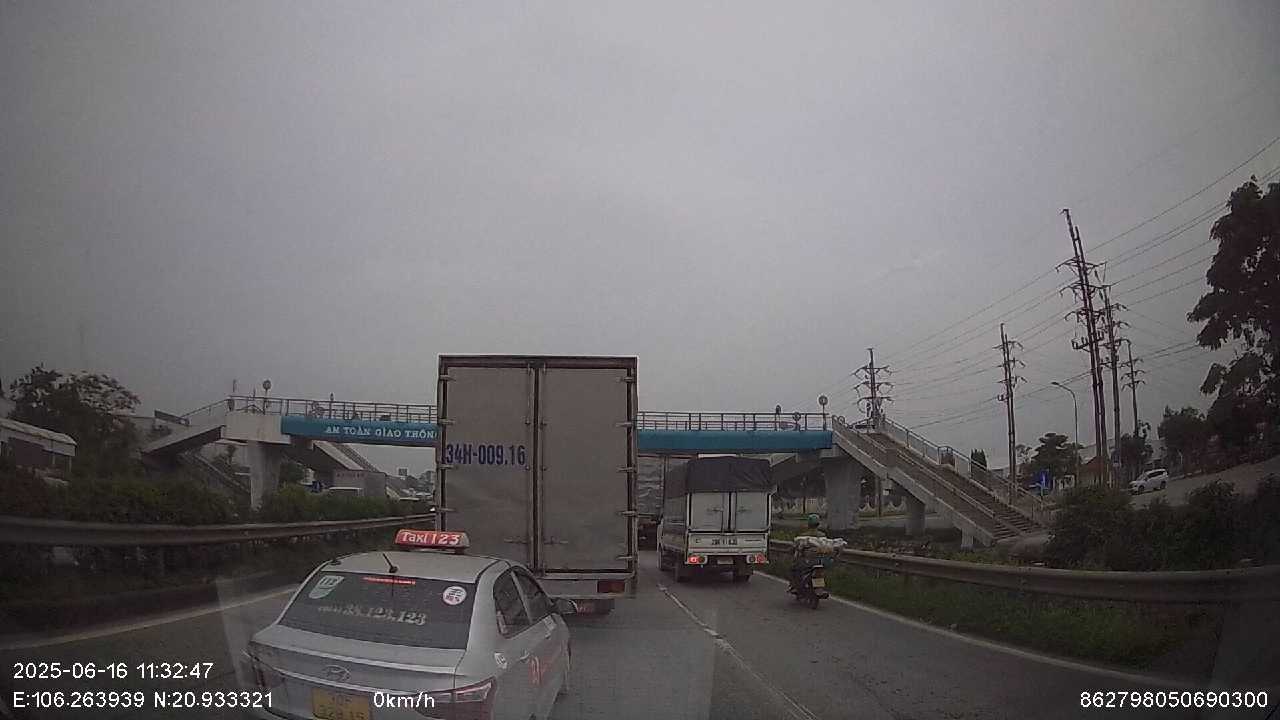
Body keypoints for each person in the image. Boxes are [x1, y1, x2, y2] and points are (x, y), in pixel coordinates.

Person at [789, 514, 825, 591]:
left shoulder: (803, 536)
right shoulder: (823, 536)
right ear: (818, 524)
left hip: (806, 562)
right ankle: (819, 588)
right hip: (819, 561)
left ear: (808, 524)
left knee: (794, 568)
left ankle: (794, 586)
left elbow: (796, 547)